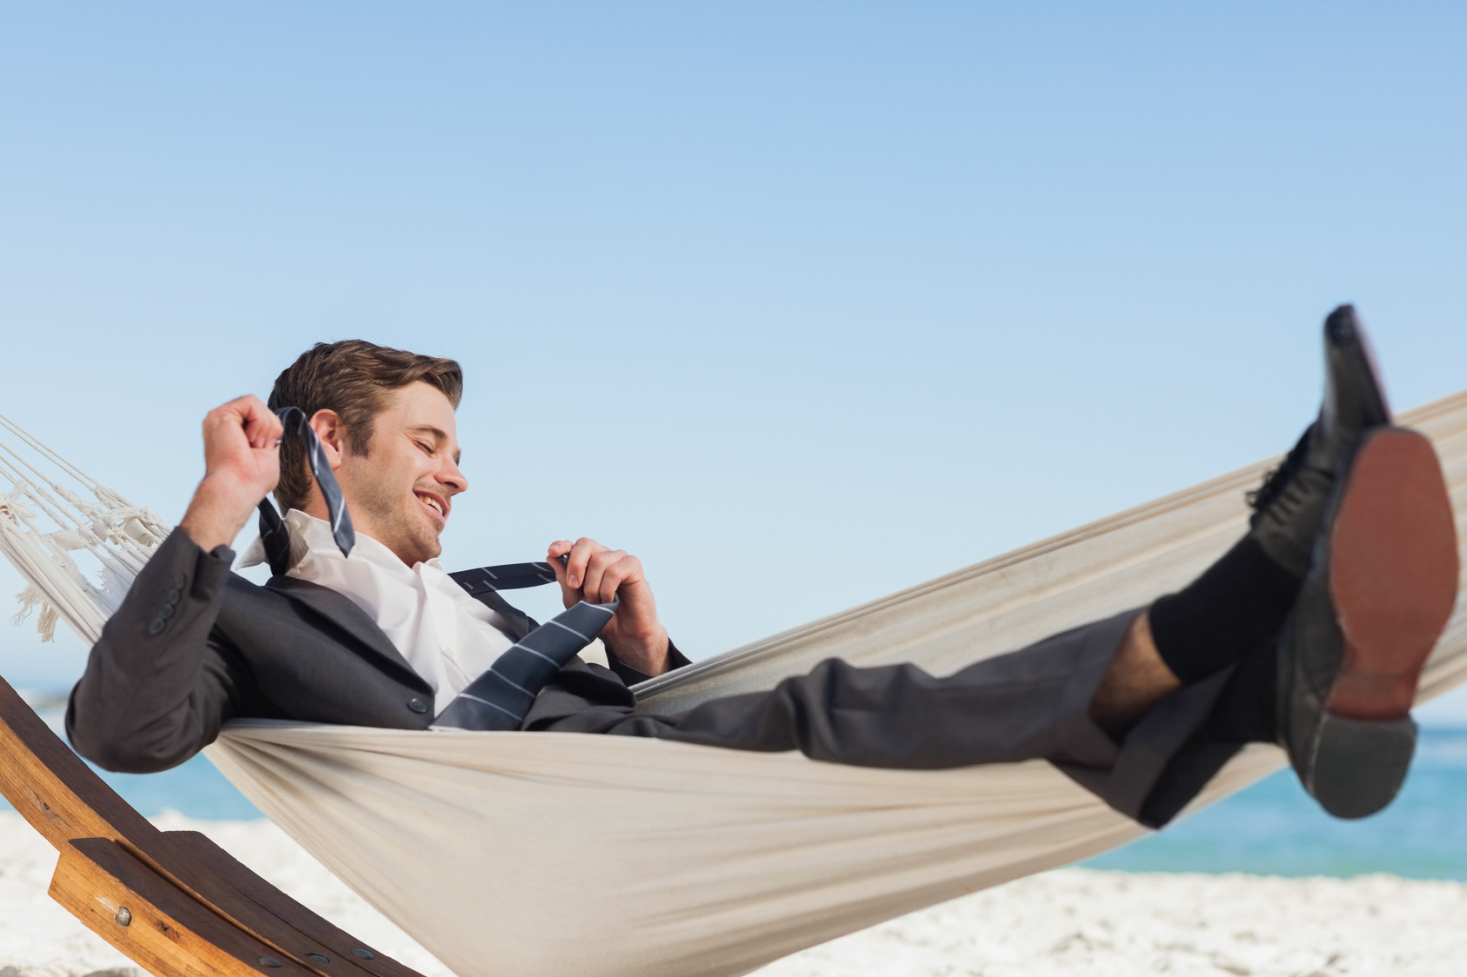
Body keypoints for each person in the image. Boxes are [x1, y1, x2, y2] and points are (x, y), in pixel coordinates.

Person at [66, 305, 1459, 828]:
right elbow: (122, 730)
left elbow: (633, 697)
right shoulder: (244, 616)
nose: (459, 470)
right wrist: (210, 514)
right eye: (430, 441)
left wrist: (640, 644)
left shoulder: (476, 592)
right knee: (832, 702)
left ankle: (1271, 681)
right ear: (328, 438)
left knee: (846, 683)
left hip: (643, 743)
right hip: (566, 816)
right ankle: (1260, 574)